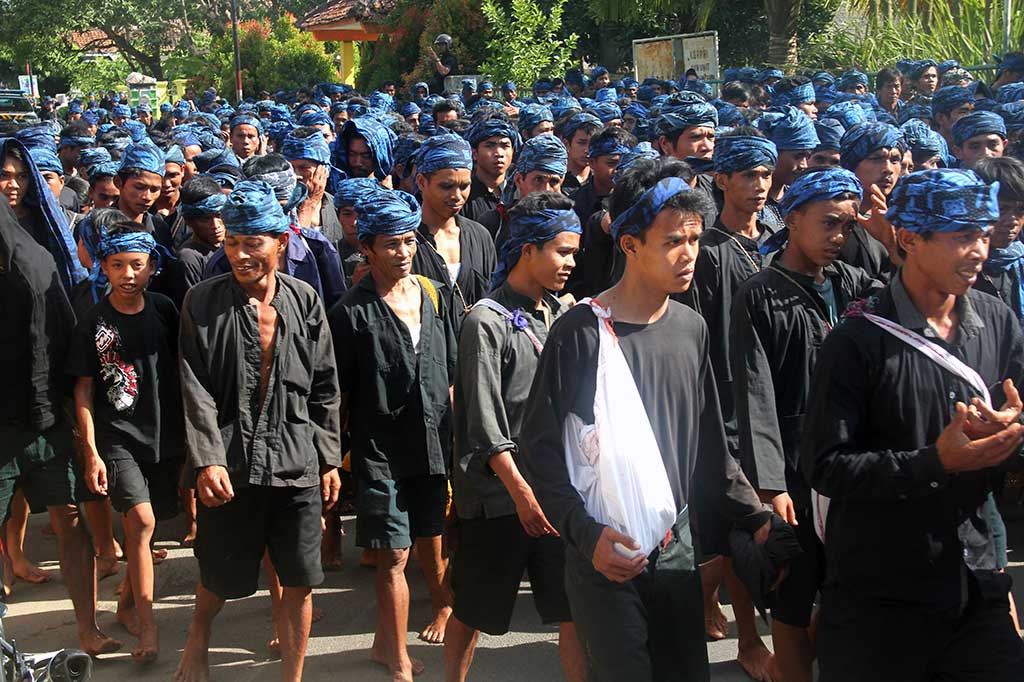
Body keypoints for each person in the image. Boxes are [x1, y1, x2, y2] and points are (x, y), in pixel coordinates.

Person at [520, 157, 772, 681]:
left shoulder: (691, 329)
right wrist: (586, 536)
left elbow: (710, 449)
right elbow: (540, 452)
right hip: (604, 551)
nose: (689, 254)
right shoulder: (580, 334)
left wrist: (759, 518)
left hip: (673, 545)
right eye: (673, 241)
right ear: (630, 244)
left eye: (695, 239)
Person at [801, 167, 1024, 681]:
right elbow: (826, 466)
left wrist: (1011, 431)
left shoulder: (997, 321)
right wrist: (934, 462)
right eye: (961, 236)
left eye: (983, 235)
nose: (979, 251)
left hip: (974, 578)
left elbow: (1016, 421)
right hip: (881, 595)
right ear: (908, 239)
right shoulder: (856, 342)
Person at [174, 180, 342, 682]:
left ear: (281, 242)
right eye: (232, 243)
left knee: (300, 579)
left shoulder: (305, 301)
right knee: (218, 574)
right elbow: (195, 388)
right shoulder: (202, 302)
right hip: (231, 462)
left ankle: (293, 676)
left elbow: (325, 387)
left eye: (252, 243)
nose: (240, 255)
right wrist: (208, 460)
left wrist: (329, 459)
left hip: (296, 461)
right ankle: (197, 637)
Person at [731, 167, 882, 682]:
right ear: (792, 219)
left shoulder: (853, 283)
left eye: (848, 226)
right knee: (794, 592)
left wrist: (886, 240)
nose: (839, 237)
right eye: (829, 223)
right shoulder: (760, 294)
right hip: (794, 470)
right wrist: (771, 486)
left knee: (848, 581)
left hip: (850, 463)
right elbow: (755, 393)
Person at [444, 191, 587, 682]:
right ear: (528, 249)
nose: (571, 263)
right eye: (562, 252)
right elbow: (484, 424)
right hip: (500, 498)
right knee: (474, 609)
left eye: (574, 253)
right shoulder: (485, 322)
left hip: (554, 493)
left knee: (572, 608)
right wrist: (522, 495)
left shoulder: (559, 314)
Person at [329, 187, 458, 682]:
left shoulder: (433, 294)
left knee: (431, 537)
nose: (403, 253)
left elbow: (449, 369)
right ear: (367, 248)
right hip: (379, 450)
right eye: (390, 244)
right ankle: (398, 656)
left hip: (432, 443)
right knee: (394, 555)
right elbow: (337, 393)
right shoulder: (350, 313)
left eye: (408, 242)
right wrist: (333, 460)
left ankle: (387, 643)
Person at [0, 200, 121, 657]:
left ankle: (88, 628)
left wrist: (73, 421)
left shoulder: (36, 263)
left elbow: (60, 340)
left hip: (46, 421)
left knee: (70, 521)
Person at [68, 223, 183, 663]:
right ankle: (148, 628)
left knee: (144, 530)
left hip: (164, 435)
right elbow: (82, 390)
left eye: (137, 264)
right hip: (117, 437)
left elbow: (182, 368)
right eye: (117, 265)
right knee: (141, 520)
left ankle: (126, 602)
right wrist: (92, 453)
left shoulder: (164, 310)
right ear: (104, 267)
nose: (128, 274)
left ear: (152, 266)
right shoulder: (93, 321)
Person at [692, 130, 780, 677]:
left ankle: (704, 595)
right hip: (729, 406)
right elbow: (700, 338)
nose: (759, 185)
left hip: (779, 401)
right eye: (749, 175)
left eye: (766, 174)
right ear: (721, 178)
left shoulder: (777, 235)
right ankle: (750, 640)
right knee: (742, 528)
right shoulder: (708, 252)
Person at [411, 132, 496, 326]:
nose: (457, 196)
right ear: (422, 182)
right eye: (446, 186)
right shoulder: (406, 240)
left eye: (464, 186)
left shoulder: (480, 236)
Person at [837, 121, 906, 281]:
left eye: (895, 160)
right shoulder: (837, 220)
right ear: (852, 164)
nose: (888, 169)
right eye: (876, 159)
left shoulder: (905, 218)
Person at [973, 156, 1024, 319]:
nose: (1013, 221)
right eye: (1002, 209)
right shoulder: (961, 268)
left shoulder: (1018, 261)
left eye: (1020, 210)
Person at [164, 176, 226, 308]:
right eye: (205, 219)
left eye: (219, 216)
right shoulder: (189, 258)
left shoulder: (229, 246)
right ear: (189, 222)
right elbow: (194, 308)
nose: (215, 225)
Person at [282, 128, 344, 241]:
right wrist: (309, 205)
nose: (296, 175)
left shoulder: (339, 207)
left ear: (323, 169)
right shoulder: (277, 208)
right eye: (290, 168)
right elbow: (293, 247)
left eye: (303, 168)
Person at [462, 117, 519, 223]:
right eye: (489, 146)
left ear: (512, 151)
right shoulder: (464, 195)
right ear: (474, 153)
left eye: (505, 146)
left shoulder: (521, 191)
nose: (499, 153)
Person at [557, 112, 603, 194]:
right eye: (582, 143)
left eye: (592, 143)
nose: (587, 150)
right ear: (566, 144)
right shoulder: (555, 180)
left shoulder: (602, 180)